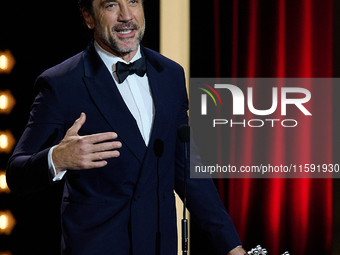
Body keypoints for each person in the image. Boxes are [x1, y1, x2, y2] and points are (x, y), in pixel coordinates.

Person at [6, 0, 246, 254]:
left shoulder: (170, 75)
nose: (126, 16)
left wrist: (231, 245)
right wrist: (58, 158)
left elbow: (186, 169)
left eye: (133, 2)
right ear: (89, 17)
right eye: (111, 5)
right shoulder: (62, 84)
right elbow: (17, 174)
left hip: (158, 245)